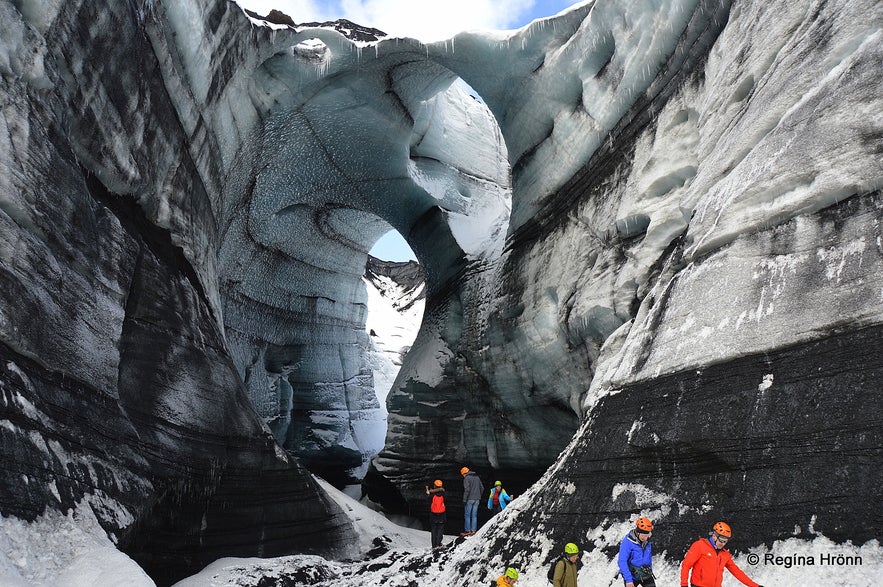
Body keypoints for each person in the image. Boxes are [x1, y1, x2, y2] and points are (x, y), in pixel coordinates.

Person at [680, 521, 764, 587]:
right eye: (722, 540)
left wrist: (755, 586)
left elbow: (737, 572)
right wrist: (684, 585)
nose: (723, 544)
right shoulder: (699, 546)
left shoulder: (725, 554)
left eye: (725, 541)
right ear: (714, 536)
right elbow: (686, 565)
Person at [618, 517, 655, 587]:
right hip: (632, 576)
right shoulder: (627, 542)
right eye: (643, 536)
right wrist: (628, 580)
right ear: (638, 533)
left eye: (647, 535)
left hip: (645, 573)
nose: (646, 538)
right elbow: (622, 561)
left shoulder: (647, 541)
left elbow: (648, 558)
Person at [460, 466, 484, 536]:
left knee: (467, 515)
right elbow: (482, 488)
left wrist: (464, 499)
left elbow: (467, 490)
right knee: (474, 515)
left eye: (463, 475)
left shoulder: (467, 478)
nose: (463, 476)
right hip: (477, 499)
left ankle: (468, 531)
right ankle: (473, 530)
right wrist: (479, 495)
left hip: (469, 499)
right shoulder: (477, 477)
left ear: (464, 473)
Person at [424, 479, 446, 549]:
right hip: (442, 515)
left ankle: (434, 545)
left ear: (435, 486)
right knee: (440, 530)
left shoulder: (432, 495)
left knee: (434, 530)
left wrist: (427, 494)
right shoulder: (444, 494)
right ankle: (438, 543)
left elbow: (427, 502)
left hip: (433, 515)